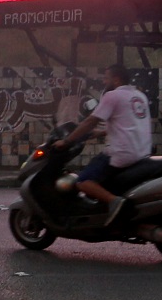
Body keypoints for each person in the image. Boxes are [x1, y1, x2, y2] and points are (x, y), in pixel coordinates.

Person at [58, 63, 151, 222]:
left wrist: (66, 141)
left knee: (82, 181)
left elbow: (90, 121)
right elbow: (129, 123)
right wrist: (99, 133)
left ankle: (114, 202)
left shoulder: (112, 96)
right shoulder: (139, 96)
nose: (103, 82)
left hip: (122, 154)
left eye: (106, 78)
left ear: (116, 79)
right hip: (142, 153)